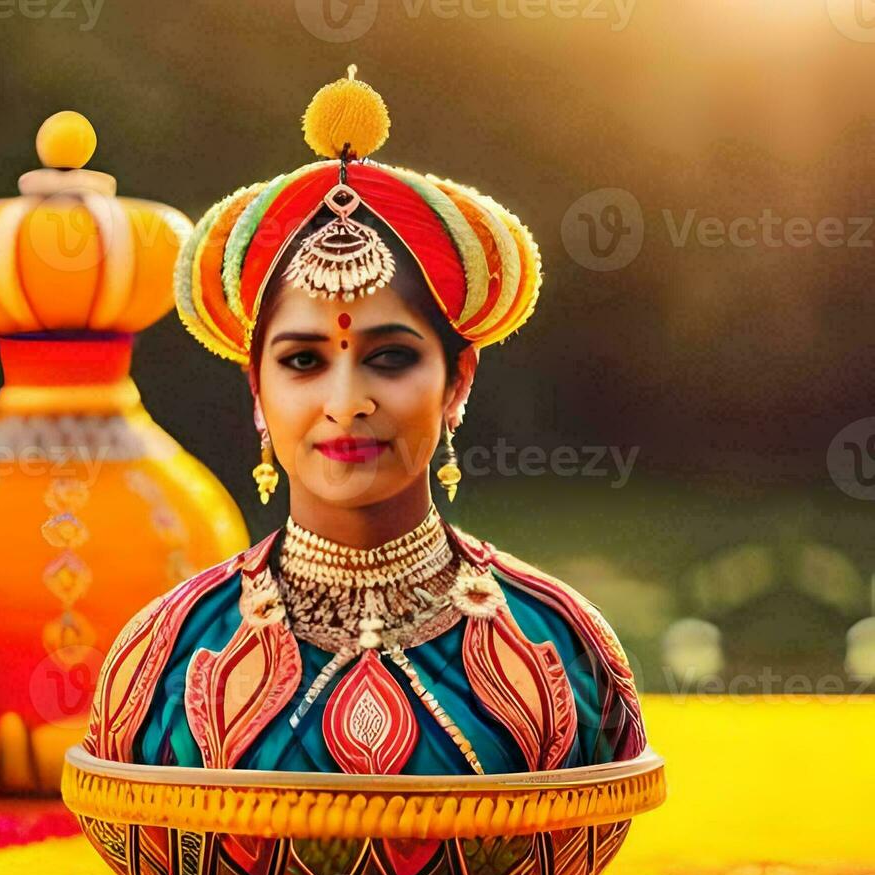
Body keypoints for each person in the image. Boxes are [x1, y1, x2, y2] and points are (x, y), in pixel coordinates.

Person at [83, 67, 645, 776]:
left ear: (457, 381)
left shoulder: (561, 648)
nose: (346, 402)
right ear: (256, 388)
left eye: (389, 357)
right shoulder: (167, 656)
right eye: (303, 362)